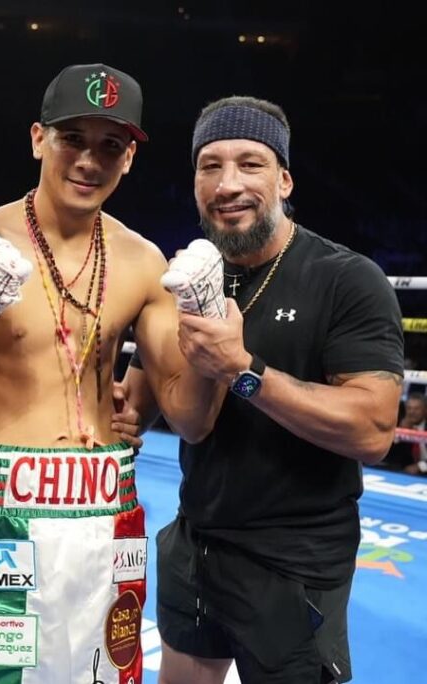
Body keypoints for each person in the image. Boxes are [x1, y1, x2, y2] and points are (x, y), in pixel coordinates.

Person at [0, 63, 222, 684]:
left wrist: (206, 327)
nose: (91, 160)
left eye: (110, 146)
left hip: (107, 515)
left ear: (130, 160)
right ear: (39, 139)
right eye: (74, 140)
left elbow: (192, 420)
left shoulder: (143, 261)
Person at [144, 95, 404, 684]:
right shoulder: (190, 277)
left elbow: (373, 429)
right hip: (196, 543)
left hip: (294, 566)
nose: (227, 183)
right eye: (210, 166)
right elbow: (177, 407)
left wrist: (244, 370)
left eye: (249, 163)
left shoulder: (345, 279)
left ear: (284, 178)